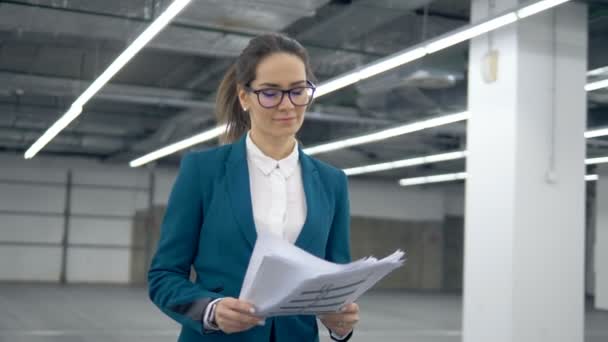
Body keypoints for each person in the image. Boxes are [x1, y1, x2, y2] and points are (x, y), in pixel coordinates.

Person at [148, 33, 359, 342]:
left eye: (298, 91)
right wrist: (211, 310)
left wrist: (340, 324)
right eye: (271, 93)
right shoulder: (202, 171)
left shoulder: (332, 183)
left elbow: (336, 283)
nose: (287, 105)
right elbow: (164, 275)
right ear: (244, 96)